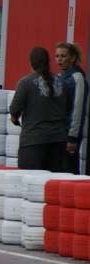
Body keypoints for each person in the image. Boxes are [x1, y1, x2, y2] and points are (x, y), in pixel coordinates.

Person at [9, 47, 68, 172]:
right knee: (52, 184)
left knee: (29, 183)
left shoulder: (26, 83)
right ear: (48, 62)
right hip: (59, 141)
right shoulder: (62, 83)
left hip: (33, 141)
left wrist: (14, 118)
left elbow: (14, 109)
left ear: (31, 63)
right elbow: (67, 108)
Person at [56, 42, 88, 174]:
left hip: (70, 135)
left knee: (69, 169)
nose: (59, 59)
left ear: (73, 58)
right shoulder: (59, 78)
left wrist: (72, 137)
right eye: (57, 56)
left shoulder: (77, 78)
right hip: (58, 132)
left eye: (63, 56)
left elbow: (78, 109)